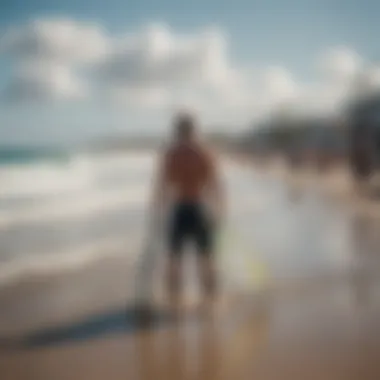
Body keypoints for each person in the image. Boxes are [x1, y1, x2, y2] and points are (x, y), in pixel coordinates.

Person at [151, 112, 225, 308]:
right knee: (207, 258)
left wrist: (158, 212)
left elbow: (161, 187)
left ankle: (174, 300)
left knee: (174, 259)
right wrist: (219, 212)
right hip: (200, 208)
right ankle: (212, 300)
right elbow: (216, 185)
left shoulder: (171, 154)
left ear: (177, 131)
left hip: (179, 209)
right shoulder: (205, 152)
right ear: (194, 130)